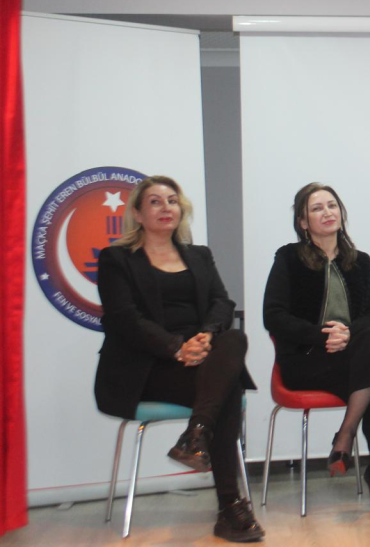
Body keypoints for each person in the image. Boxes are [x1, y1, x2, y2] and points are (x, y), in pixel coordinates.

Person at [94, 176, 263, 543]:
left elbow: (222, 302)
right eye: (155, 201)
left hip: (202, 357)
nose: (166, 207)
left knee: (233, 338)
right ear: (138, 214)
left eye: (172, 200)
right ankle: (230, 506)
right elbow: (124, 319)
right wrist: (176, 347)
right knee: (227, 391)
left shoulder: (198, 255)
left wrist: (205, 336)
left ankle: (196, 434)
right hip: (145, 367)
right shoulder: (116, 259)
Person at [263, 183, 370, 513]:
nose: (327, 212)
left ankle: (346, 435)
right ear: (303, 222)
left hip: (352, 355)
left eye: (332, 205)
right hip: (306, 360)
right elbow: (273, 316)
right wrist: (322, 336)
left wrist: (347, 334)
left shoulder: (360, 261)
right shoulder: (288, 257)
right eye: (317, 208)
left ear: (341, 213)